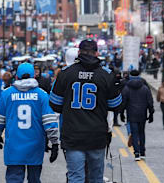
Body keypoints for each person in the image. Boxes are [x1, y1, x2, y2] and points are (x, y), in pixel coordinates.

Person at [49, 39, 122, 183]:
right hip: (97, 135)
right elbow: (115, 104)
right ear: (96, 53)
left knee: (76, 177)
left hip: (73, 135)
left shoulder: (66, 73)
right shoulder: (106, 75)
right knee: (96, 177)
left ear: (79, 52)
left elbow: (55, 103)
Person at [0, 63, 59, 183]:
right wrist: (54, 142)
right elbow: (50, 121)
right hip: (35, 146)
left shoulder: (7, 94)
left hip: (14, 146)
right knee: (34, 179)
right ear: (34, 76)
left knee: (14, 179)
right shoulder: (42, 95)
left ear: (16, 76)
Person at [121, 70, 154, 161]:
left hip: (131, 113)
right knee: (141, 133)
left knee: (134, 133)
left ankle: (136, 153)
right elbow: (150, 101)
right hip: (142, 113)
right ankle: (142, 151)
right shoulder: (145, 88)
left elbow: (123, 101)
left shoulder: (127, 88)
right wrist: (151, 113)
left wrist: (121, 113)